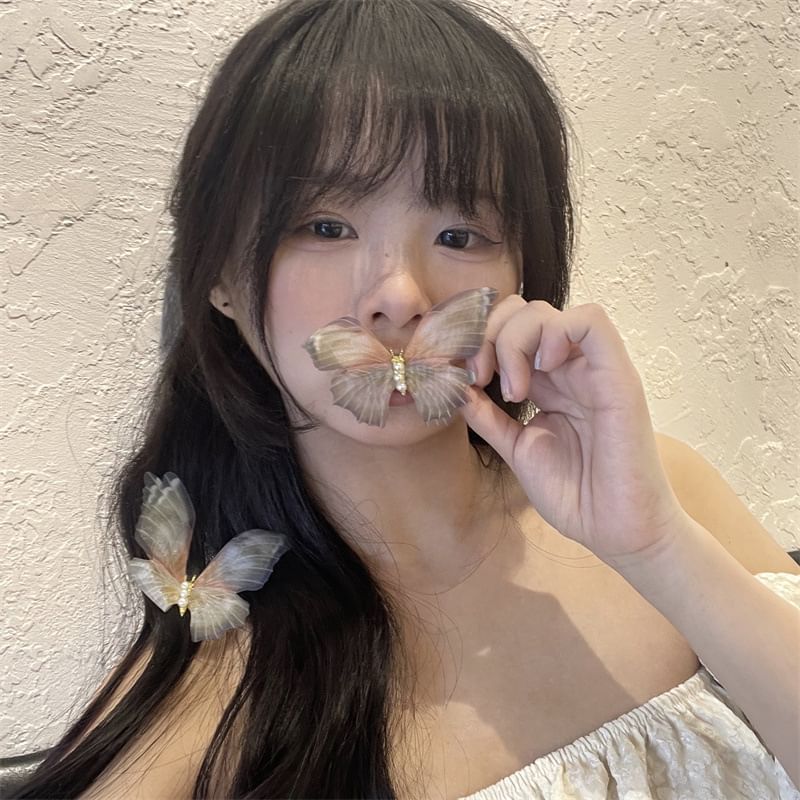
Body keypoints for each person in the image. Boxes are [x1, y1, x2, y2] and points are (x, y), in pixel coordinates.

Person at [13, 0, 799, 798]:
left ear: (522, 274)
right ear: (218, 272)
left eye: (460, 235)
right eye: (324, 226)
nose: (399, 295)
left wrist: (656, 550)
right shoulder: (206, 718)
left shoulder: (669, 497)